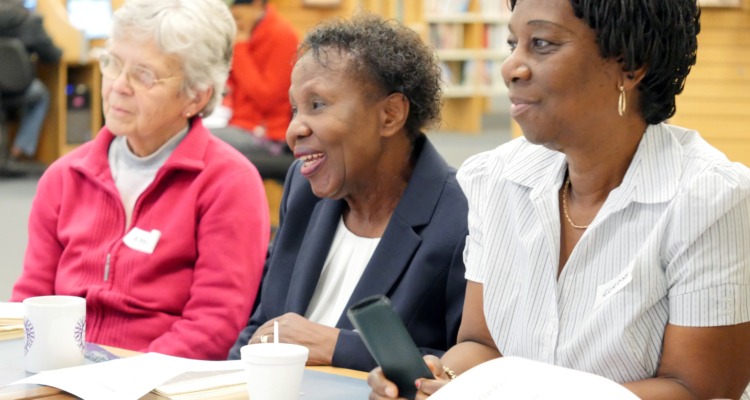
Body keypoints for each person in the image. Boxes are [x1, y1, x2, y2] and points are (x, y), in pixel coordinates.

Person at [369, 0, 750, 399]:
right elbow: (483, 345)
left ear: (632, 65)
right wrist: (440, 377)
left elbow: (699, 389)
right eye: (512, 43)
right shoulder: (494, 179)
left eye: (543, 43)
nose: (511, 67)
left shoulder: (709, 197)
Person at [11, 0, 270, 360]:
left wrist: (118, 380)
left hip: (156, 381)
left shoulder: (227, 183)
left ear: (196, 96)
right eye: (112, 63)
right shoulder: (65, 176)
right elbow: (31, 300)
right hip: (59, 371)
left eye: (144, 75)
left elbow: (213, 327)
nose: (118, 85)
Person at [228, 13, 468, 372]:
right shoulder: (303, 188)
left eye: (317, 105)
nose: (294, 129)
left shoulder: (460, 217)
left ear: (390, 114)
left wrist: (335, 346)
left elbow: (463, 366)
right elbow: (263, 325)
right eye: (295, 108)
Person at [211, 0, 299, 165]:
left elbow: (267, 98)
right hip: (239, 123)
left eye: (238, 16)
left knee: (193, 141)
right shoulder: (251, 31)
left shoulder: (282, 35)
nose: (236, 22)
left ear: (257, 4)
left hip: (266, 134)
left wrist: (241, 48)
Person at [0, 0, 61, 165]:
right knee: (41, 95)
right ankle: (18, 150)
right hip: (20, 90)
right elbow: (52, 55)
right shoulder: (29, 20)